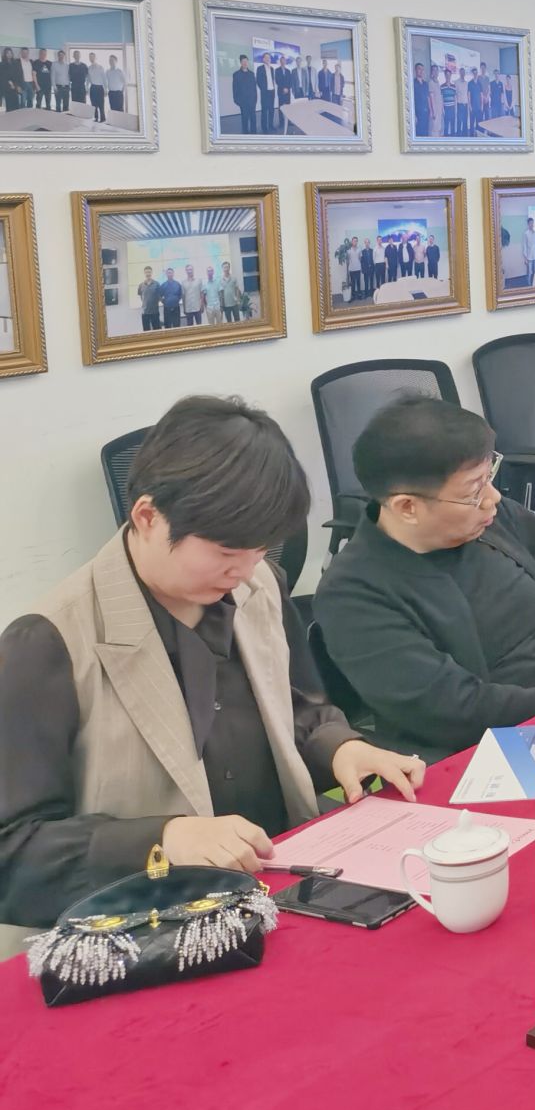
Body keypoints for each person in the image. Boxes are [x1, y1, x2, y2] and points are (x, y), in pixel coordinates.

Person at [0, 397, 424, 933]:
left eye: (260, 549)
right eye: (226, 551)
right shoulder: (47, 643)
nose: (243, 571)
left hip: (284, 887)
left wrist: (339, 745)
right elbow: (12, 851)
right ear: (148, 517)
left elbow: (294, 706)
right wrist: (163, 838)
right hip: (152, 927)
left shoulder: (258, 583)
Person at [314, 397, 535, 760]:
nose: (493, 498)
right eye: (473, 491)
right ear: (407, 507)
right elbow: (455, 709)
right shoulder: (353, 594)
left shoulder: (485, 517)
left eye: (489, 477)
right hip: (500, 744)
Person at [231, 54, 258, 135]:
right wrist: (238, 101)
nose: (245, 63)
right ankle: (245, 135)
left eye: (246, 61)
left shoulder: (252, 74)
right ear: (240, 62)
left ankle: (254, 134)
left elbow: (254, 88)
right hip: (243, 102)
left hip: (252, 101)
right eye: (243, 61)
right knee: (244, 120)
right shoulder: (236, 74)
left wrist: (255, 99)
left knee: (253, 119)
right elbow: (234, 89)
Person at [254, 53, 276, 135]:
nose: (268, 59)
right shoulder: (260, 68)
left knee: (271, 110)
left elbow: (272, 80)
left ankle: (271, 125)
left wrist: (273, 89)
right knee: (264, 110)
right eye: (266, 57)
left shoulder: (272, 68)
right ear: (263, 59)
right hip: (265, 92)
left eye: (269, 58)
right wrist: (263, 89)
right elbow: (258, 80)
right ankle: (264, 127)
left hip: (272, 92)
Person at [136, 266, 162, 333]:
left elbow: (159, 297)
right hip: (145, 313)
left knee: (157, 332)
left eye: (149, 272)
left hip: (155, 312)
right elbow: (141, 297)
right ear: (144, 273)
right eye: (146, 272)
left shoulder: (157, 284)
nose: (148, 274)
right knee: (146, 332)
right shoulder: (141, 285)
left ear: (151, 273)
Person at [156, 267, 182, 331]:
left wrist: (176, 300)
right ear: (166, 274)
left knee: (177, 326)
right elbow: (159, 295)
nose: (169, 274)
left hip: (176, 308)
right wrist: (163, 302)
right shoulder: (163, 285)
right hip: (167, 308)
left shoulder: (177, 284)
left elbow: (181, 294)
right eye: (168, 273)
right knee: (167, 326)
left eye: (171, 273)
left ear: (173, 274)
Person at [66, 50, 89, 121]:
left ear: (80, 56)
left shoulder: (84, 65)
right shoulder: (71, 66)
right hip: (74, 86)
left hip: (82, 87)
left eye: (78, 54)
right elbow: (68, 76)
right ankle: (75, 120)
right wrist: (68, 85)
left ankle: (82, 120)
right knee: (75, 104)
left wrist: (87, 87)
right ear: (73, 56)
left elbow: (88, 77)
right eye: (75, 55)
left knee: (82, 103)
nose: (77, 56)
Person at [181, 264, 205, 328]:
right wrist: (184, 308)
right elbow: (183, 296)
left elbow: (202, 293)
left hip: (197, 307)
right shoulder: (183, 282)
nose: (189, 271)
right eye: (188, 270)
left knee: (199, 327)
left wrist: (202, 305)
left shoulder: (199, 280)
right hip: (188, 309)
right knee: (190, 328)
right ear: (186, 271)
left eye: (191, 269)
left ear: (193, 270)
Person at [411, 62, 431, 137]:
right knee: (419, 133)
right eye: (419, 69)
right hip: (418, 113)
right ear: (415, 70)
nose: (421, 71)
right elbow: (411, 100)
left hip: (426, 113)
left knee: (426, 132)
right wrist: (414, 115)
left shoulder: (425, 84)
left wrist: (430, 111)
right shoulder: (413, 83)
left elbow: (428, 97)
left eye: (422, 69)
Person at [86, 53, 107, 123]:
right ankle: (96, 117)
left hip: (99, 88)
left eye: (92, 57)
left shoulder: (100, 67)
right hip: (93, 87)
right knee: (93, 104)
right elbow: (88, 79)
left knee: (101, 105)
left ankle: (103, 119)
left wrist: (106, 89)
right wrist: (87, 87)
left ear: (95, 58)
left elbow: (104, 79)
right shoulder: (89, 68)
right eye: (90, 57)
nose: (91, 58)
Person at [0, 47, 22, 113]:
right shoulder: (2, 64)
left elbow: (19, 75)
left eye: (10, 53)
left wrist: (17, 85)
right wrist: (10, 83)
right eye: (7, 53)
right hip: (7, 87)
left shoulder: (16, 63)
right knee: (9, 106)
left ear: (12, 54)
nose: (9, 54)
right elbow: (3, 77)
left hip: (15, 87)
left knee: (16, 106)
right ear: (5, 54)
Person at [521, 217, 535, 284]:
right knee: (529, 272)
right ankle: (529, 284)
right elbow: (524, 246)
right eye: (530, 223)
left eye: (532, 223)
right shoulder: (526, 233)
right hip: (529, 257)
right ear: (528, 224)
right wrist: (525, 258)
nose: (532, 224)